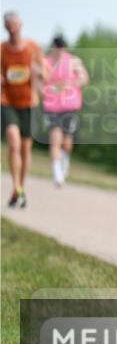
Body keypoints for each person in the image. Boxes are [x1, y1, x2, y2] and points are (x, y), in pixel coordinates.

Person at [1, 11, 47, 208]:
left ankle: (20, 189)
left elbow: (44, 73)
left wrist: (39, 73)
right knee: (13, 142)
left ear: (21, 26)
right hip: (7, 100)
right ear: (5, 27)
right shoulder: (1, 49)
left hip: (29, 102)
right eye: (8, 25)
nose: (12, 29)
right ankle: (16, 186)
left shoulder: (33, 48)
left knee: (26, 149)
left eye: (15, 25)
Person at [42, 35, 88, 186]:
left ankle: (64, 160)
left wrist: (69, 84)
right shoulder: (45, 62)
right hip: (52, 106)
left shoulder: (73, 61)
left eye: (62, 47)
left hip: (69, 105)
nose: (59, 50)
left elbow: (84, 78)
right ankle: (57, 174)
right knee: (55, 138)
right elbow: (38, 80)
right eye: (57, 47)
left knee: (67, 142)